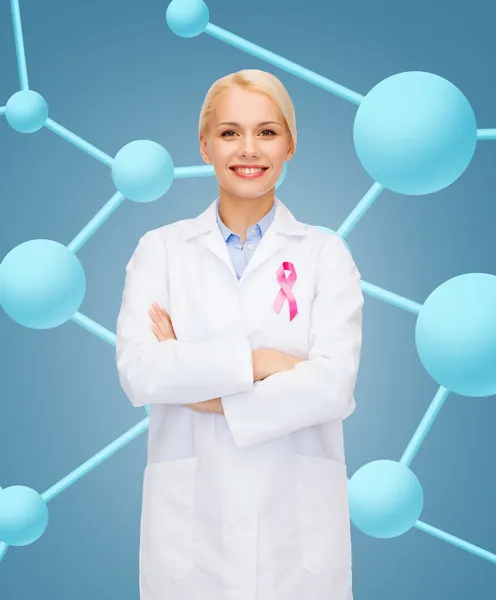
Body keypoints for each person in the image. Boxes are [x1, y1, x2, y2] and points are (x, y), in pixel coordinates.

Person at [115, 68, 364, 600]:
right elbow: (142, 374)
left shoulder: (325, 254)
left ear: (291, 144)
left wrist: (205, 389)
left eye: (267, 132)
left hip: (296, 538)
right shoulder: (160, 250)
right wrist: (262, 362)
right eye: (229, 132)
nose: (248, 149)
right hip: (191, 536)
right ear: (204, 145)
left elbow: (333, 386)